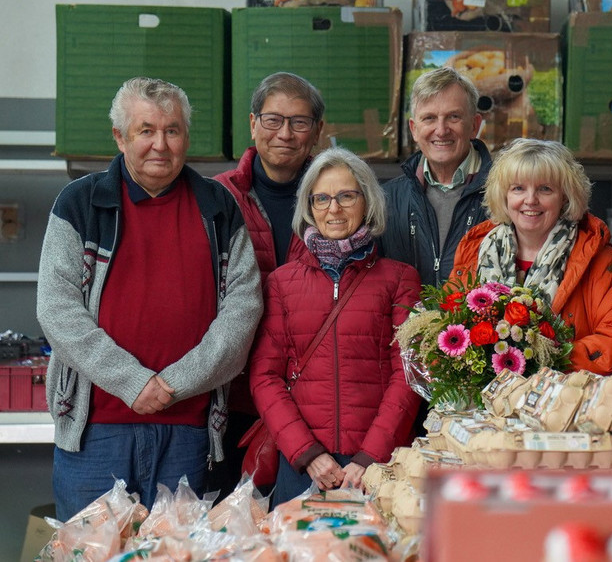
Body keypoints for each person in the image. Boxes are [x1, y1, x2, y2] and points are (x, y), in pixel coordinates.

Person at [36, 77, 263, 521]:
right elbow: (57, 309)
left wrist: (174, 383)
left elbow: (244, 308)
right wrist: (134, 383)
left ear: (186, 137)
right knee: (90, 551)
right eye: (146, 130)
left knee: (178, 552)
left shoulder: (217, 206)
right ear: (120, 137)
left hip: (188, 435)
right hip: (94, 435)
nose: (160, 144)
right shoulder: (80, 203)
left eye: (172, 130)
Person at [250, 147, 422, 505]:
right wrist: (308, 454)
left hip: (375, 466)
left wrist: (370, 457)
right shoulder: (282, 282)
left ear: (367, 201)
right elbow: (265, 377)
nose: (334, 208)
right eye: (322, 198)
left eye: (346, 196)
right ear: (309, 207)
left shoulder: (400, 279)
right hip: (303, 465)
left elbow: (407, 374)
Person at [211, 72, 324, 496]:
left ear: (317, 132)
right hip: (230, 398)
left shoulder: (339, 200)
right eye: (273, 120)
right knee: (228, 523)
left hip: (311, 403)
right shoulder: (217, 198)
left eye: (299, 122)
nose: (285, 134)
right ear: (253, 124)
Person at [450, 138, 612, 376]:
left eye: (545, 189)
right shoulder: (475, 251)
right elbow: (451, 328)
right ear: (503, 195)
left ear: (565, 197)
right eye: (518, 188)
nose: (530, 200)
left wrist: (542, 362)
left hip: (570, 404)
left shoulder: (603, 262)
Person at [379, 66, 492, 287]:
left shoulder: (507, 194)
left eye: (453, 117)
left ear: (475, 125)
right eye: (429, 118)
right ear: (414, 129)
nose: (441, 130)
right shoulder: (386, 199)